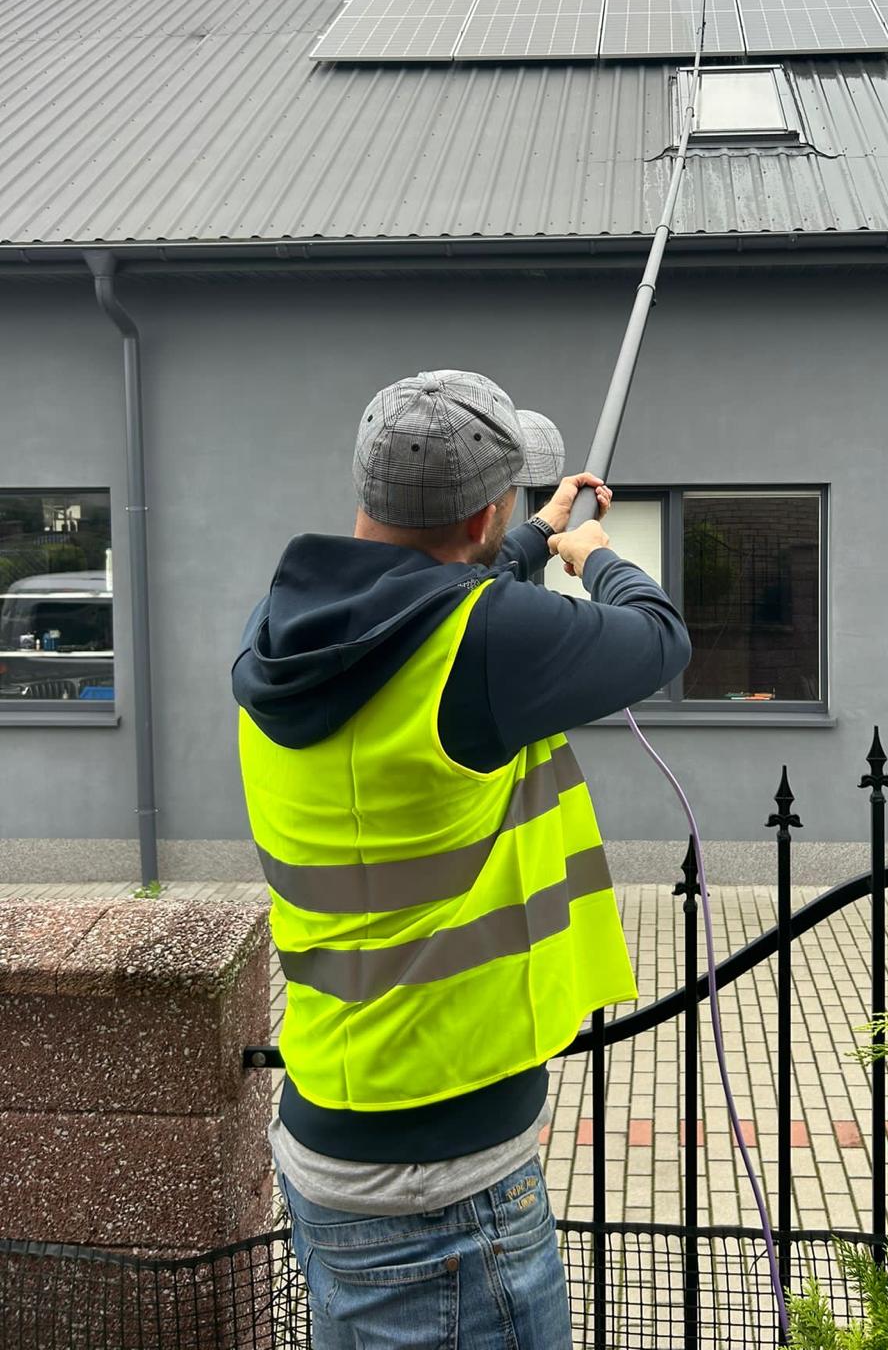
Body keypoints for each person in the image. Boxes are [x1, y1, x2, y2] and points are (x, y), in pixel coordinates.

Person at [232, 369, 691, 1350]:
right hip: (442, 1196)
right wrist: (590, 547)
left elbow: (439, 601)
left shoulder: (283, 632)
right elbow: (658, 638)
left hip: (332, 1134)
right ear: (486, 509)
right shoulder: (478, 646)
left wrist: (528, 537)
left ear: (367, 497)